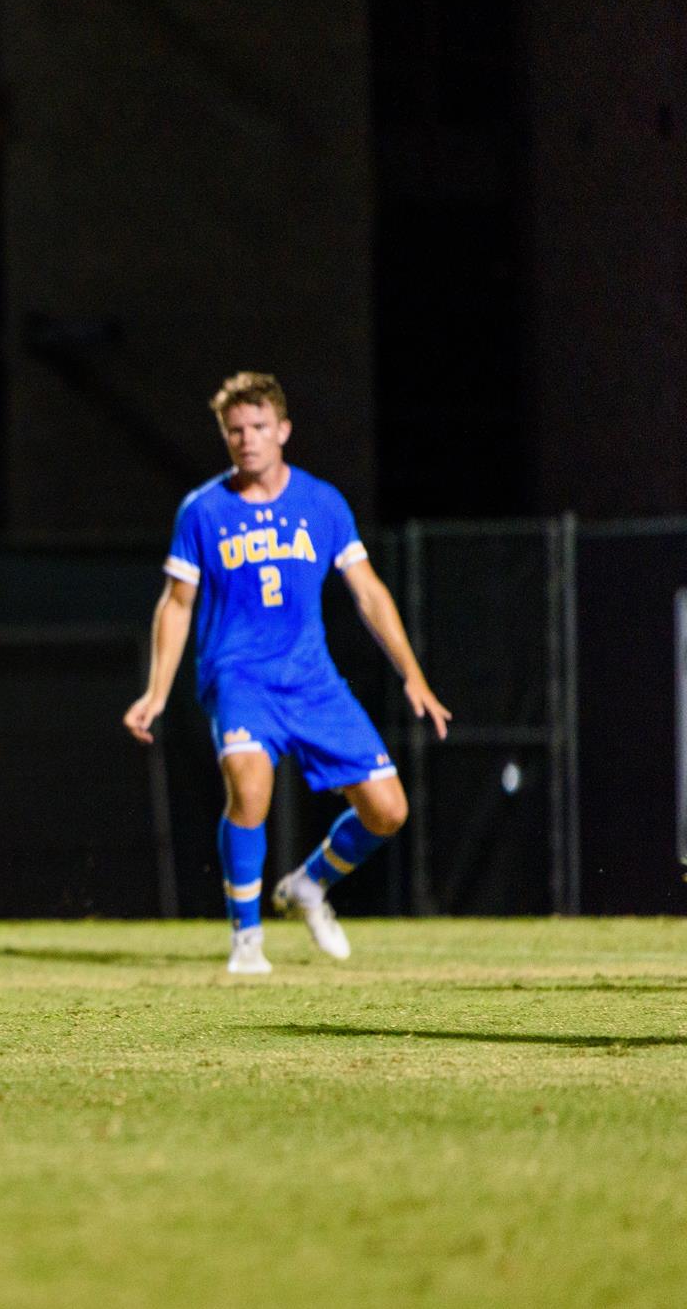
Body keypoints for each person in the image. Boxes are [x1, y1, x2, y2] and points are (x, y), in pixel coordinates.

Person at [123, 372, 450, 974]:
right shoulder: (203, 510)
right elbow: (176, 603)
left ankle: (308, 884)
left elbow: (368, 592)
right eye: (234, 431)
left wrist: (413, 674)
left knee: (388, 810)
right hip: (238, 676)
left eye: (258, 428)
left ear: (283, 431)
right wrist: (156, 691)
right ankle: (247, 940)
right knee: (249, 789)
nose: (246, 440)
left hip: (312, 679)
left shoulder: (321, 503)